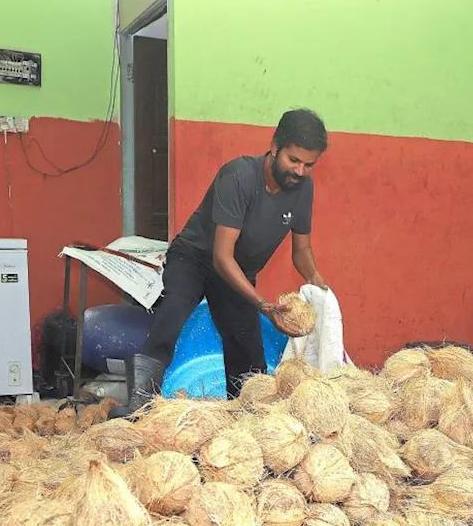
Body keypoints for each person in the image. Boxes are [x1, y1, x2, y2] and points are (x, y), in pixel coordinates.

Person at [123, 108, 330, 409]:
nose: (299, 171)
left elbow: (302, 250)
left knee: (248, 349)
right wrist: (264, 306)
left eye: (308, 165)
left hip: (239, 271)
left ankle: (246, 417)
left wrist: (315, 278)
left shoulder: (302, 190)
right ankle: (137, 405)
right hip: (195, 259)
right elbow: (221, 257)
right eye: (293, 160)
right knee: (173, 313)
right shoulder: (239, 176)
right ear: (275, 147)